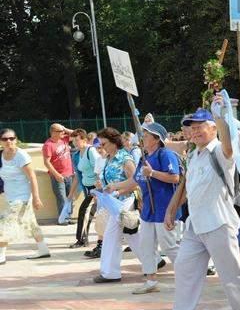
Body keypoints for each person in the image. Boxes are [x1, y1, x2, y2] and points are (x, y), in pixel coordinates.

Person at [159, 102, 240, 310]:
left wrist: (220, 114)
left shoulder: (221, 151)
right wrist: (171, 209)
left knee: (229, 269)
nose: (195, 131)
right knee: (183, 266)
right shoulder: (194, 155)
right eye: (191, 128)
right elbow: (186, 186)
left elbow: (230, 146)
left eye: (201, 126)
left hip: (219, 221)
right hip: (196, 224)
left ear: (213, 128)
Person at [105, 122, 181, 294]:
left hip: (164, 208)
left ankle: (188, 273)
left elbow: (175, 177)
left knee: (168, 245)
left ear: (156, 139)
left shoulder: (166, 155)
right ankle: (151, 280)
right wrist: (114, 186)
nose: (142, 138)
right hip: (148, 210)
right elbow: (135, 180)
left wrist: (153, 173)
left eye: (146, 135)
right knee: (146, 245)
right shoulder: (144, 158)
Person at [92, 127, 139, 283]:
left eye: (104, 144)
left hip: (125, 201)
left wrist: (117, 190)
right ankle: (153, 260)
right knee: (131, 235)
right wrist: (101, 186)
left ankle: (110, 273)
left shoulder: (125, 158)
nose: (101, 147)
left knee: (111, 235)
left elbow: (136, 182)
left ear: (113, 142)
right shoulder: (109, 159)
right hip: (114, 203)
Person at [0, 128, 50, 263]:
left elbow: (32, 177)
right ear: (1, 141)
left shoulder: (21, 155)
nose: (8, 141)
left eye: (11, 138)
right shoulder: (1, 156)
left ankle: (1, 255)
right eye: (5, 139)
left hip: (22, 196)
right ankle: (43, 249)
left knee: (4, 223)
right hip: (11, 196)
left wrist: (36, 198)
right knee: (32, 223)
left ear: (16, 139)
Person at [68, 129, 100, 248]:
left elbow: (99, 169)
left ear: (84, 140)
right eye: (73, 141)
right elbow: (77, 175)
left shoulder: (90, 151)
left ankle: (81, 240)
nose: (75, 143)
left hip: (95, 188)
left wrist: (97, 190)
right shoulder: (77, 155)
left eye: (77, 140)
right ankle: (83, 239)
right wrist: (71, 193)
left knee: (84, 211)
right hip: (87, 187)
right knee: (89, 213)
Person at [42, 123, 75, 222]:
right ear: (52, 132)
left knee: (70, 197)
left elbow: (77, 134)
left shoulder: (64, 139)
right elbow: (46, 162)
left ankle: (68, 217)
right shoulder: (48, 145)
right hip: (58, 176)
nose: (63, 132)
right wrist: (56, 175)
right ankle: (62, 219)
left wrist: (64, 128)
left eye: (63, 131)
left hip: (69, 174)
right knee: (61, 198)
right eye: (60, 131)